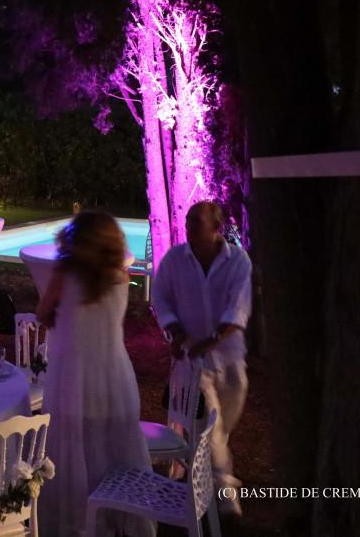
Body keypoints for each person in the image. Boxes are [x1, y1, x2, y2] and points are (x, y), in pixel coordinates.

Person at [36, 212, 154, 537]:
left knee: (74, 450)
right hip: (114, 376)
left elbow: (43, 312)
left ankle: (78, 522)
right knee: (113, 449)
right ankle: (116, 519)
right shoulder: (121, 275)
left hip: (73, 376)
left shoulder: (65, 274)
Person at [152, 201, 253, 516]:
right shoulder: (174, 260)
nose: (189, 227)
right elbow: (161, 297)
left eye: (197, 222)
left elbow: (238, 307)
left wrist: (211, 341)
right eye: (188, 221)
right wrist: (177, 333)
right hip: (192, 361)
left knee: (220, 428)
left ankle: (199, 477)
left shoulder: (237, 261)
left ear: (216, 227)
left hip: (230, 357)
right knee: (210, 424)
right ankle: (225, 499)